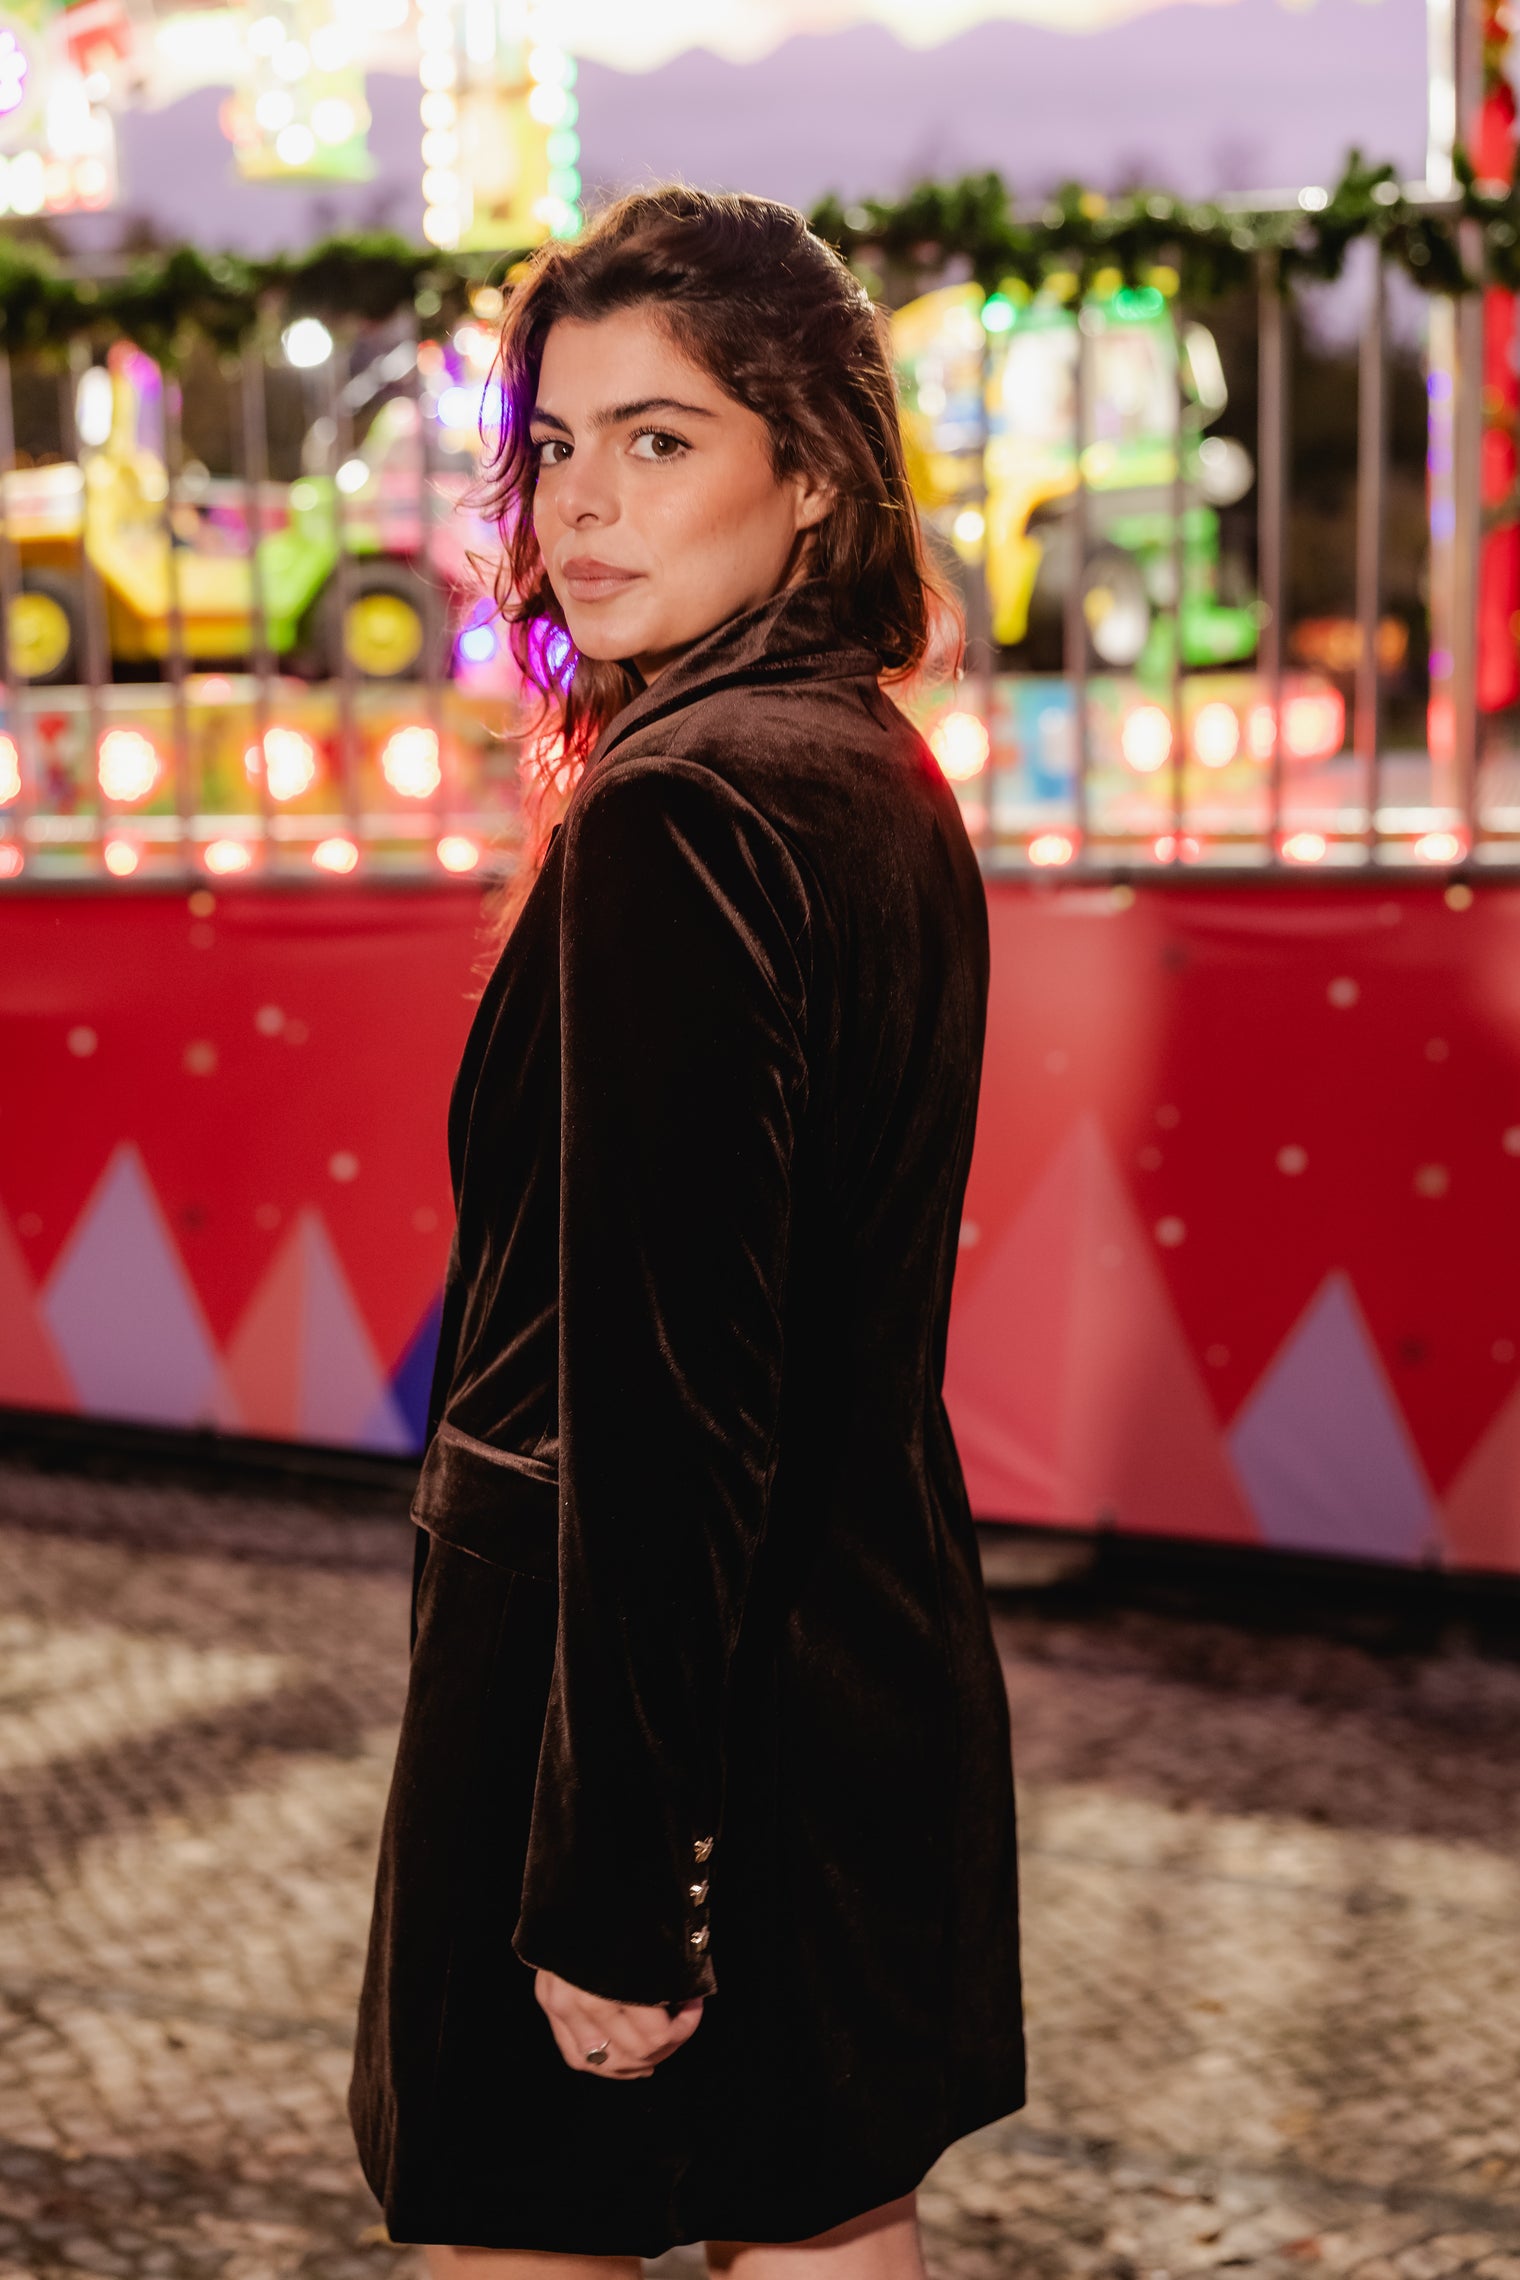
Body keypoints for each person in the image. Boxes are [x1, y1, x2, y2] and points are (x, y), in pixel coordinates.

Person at [348, 185, 1024, 2280]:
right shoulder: (868, 771)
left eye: (663, 440)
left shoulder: (678, 815)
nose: (585, 509)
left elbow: (666, 1398)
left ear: (808, 473)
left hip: (630, 1746)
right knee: (828, 2229)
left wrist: (619, 1884)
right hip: (864, 1680)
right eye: (555, 447)